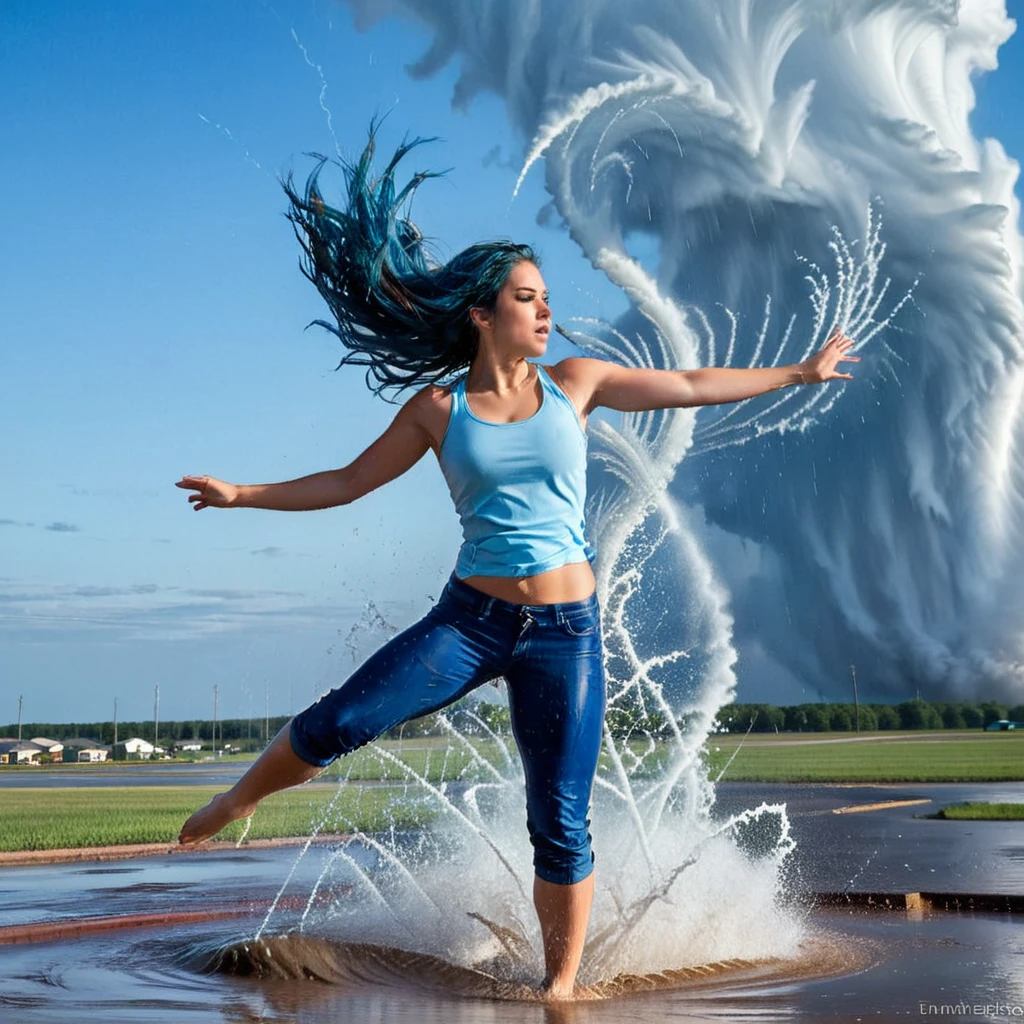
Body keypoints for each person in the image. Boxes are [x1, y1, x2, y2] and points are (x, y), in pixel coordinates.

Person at [175, 132, 859, 1000]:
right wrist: (245, 494)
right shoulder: (437, 408)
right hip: (468, 623)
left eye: (544, 299)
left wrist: (797, 372)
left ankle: (561, 987)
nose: (545, 312)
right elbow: (348, 481)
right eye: (527, 300)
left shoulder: (577, 382)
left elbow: (689, 384)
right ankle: (237, 802)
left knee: (559, 825)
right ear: (482, 312)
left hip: (565, 633)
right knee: (343, 718)